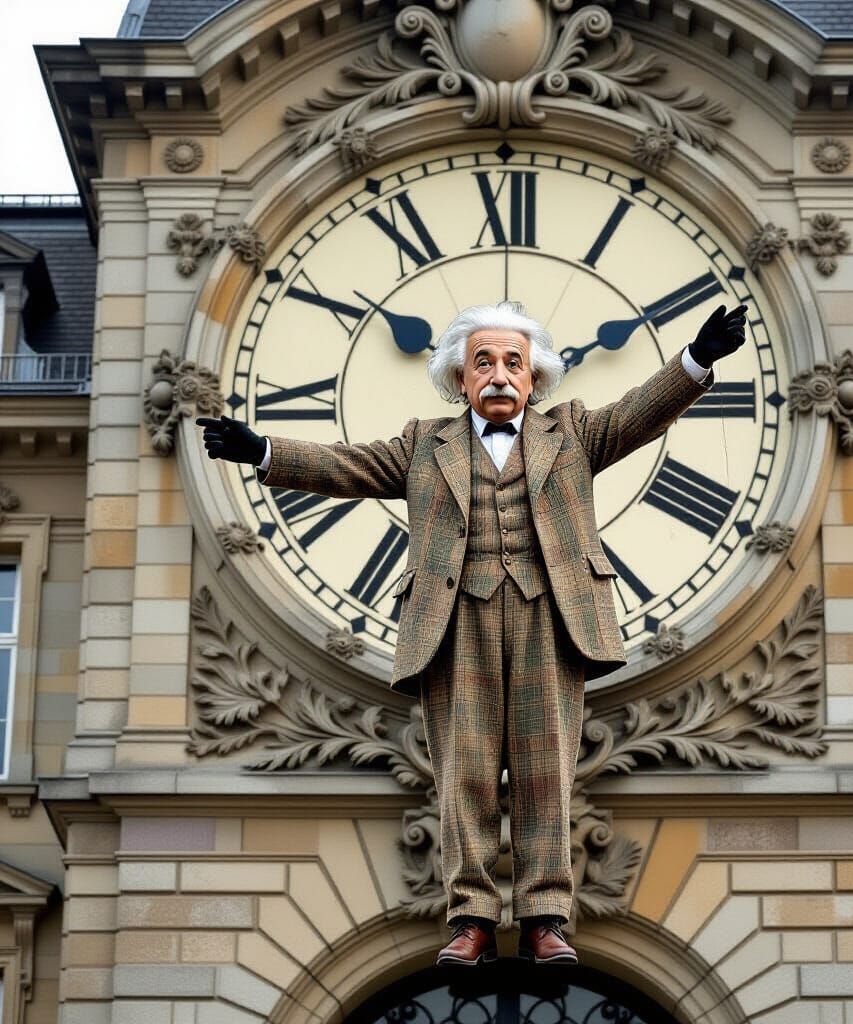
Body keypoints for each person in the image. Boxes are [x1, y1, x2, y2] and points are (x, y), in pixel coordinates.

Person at [197, 298, 747, 966]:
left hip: (550, 615)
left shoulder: (572, 434)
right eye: (482, 362)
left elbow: (639, 413)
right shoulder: (422, 445)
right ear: (459, 378)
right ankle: (473, 919)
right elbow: (347, 465)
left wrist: (698, 359)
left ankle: (546, 918)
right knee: (467, 773)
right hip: (456, 623)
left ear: (534, 378)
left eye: (512, 362)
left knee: (547, 769)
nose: (497, 374)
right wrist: (262, 451)